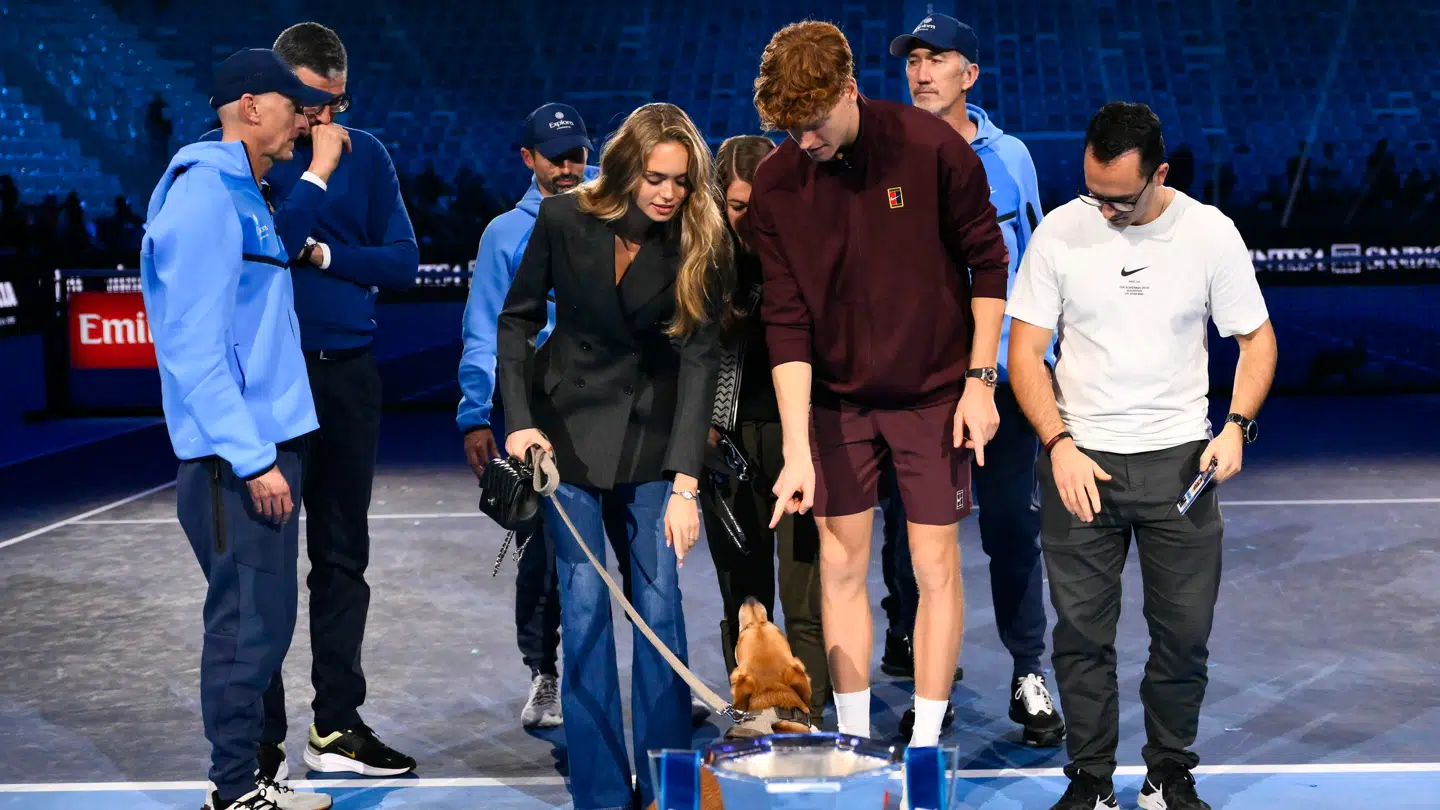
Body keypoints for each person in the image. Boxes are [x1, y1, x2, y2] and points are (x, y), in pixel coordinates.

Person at [1006, 102, 1277, 810]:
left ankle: (1167, 776)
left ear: (1159, 173)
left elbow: (1256, 339)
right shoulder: (1060, 233)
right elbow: (1025, 353)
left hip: (1182, 466)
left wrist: (1235, 428)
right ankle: (1091, 783)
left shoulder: (1209, 233)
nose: (1102, 210)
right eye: (1092, 191)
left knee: (1183, 637)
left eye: (1119, 198)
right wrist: (1058, 444)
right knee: (1081, 639)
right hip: (1080, 464)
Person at [748, 21, 1009, 748]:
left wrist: (981, 381)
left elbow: (988, 264)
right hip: (836, 401)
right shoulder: (775, 185)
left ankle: (924, 744)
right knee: (839, 564)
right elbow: (788, 321)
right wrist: (796, 448)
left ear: (851, 90)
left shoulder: (933, 149)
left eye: (814, 121)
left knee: (934, 564)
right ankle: (857, 742)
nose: (803, 139)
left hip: (934, 394)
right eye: (789, 127)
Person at [198, 22, 421, 780]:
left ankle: (337, 727)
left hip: (349, 375)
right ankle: (260, 742)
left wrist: (328, 254)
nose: (322, 119)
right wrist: (314, 194)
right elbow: (266, 248)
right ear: (274, 98)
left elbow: (402, 262)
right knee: (263, 571)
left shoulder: (370, 155)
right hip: (272, 385)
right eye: (309, 104)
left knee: (341, 559)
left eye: (336, 103)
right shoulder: (246, 159)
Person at [496, 102, 728, 810]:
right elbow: (518, 319)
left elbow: (700, 362)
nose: (668, 193)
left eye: (682, 181)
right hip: (565, 439)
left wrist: (687, 484)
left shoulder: (697, 239)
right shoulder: (565, 219)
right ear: (627, 169)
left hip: (656, 444)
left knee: (660, 609)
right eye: (656, 177)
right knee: (588, 606)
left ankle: (667, 789)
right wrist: (518, 421)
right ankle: (600, 794)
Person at [141, 48, 336, 810]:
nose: (305, 117)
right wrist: (254, 459)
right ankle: (232, 792)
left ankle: (252, 777)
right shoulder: (203, 199)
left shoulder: (245, 193)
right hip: (237, 459)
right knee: (243, 627)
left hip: (264, 443)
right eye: (293, 103)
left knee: (264, 624)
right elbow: (192, 345)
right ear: (250, 106)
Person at [879, 13, 1065, 746]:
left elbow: (1034, 268)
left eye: (937, 58)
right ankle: (934, 686)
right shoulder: (884, 153)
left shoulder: (1011, 156)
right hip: (920, 384)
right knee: (916, 544)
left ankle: (1028, 672)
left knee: (1014, 530)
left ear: (971, 74)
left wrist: (1041, 368)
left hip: (1003, 381)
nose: (921, 71)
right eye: (913, 60)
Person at [458, 101, 599, 730]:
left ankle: (642, 681)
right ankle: (545, 674)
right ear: (527, 158)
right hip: (536, 417)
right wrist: (475, 414)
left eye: (577, 155)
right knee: (540, 558)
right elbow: (485, 328)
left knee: (631, 549)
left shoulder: (615, 211)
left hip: (614, 409)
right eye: (555, 157)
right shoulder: (503, 235)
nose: (569, 168)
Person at [701, 134, 830, 720]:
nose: (750, 218)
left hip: (799, 443)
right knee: (744, 602)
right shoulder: (701, 266)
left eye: (762, 202)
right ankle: (752, 721)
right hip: (725, 447)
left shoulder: (808, 254)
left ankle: (809, 724)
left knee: (805, 601)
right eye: (737, 206)